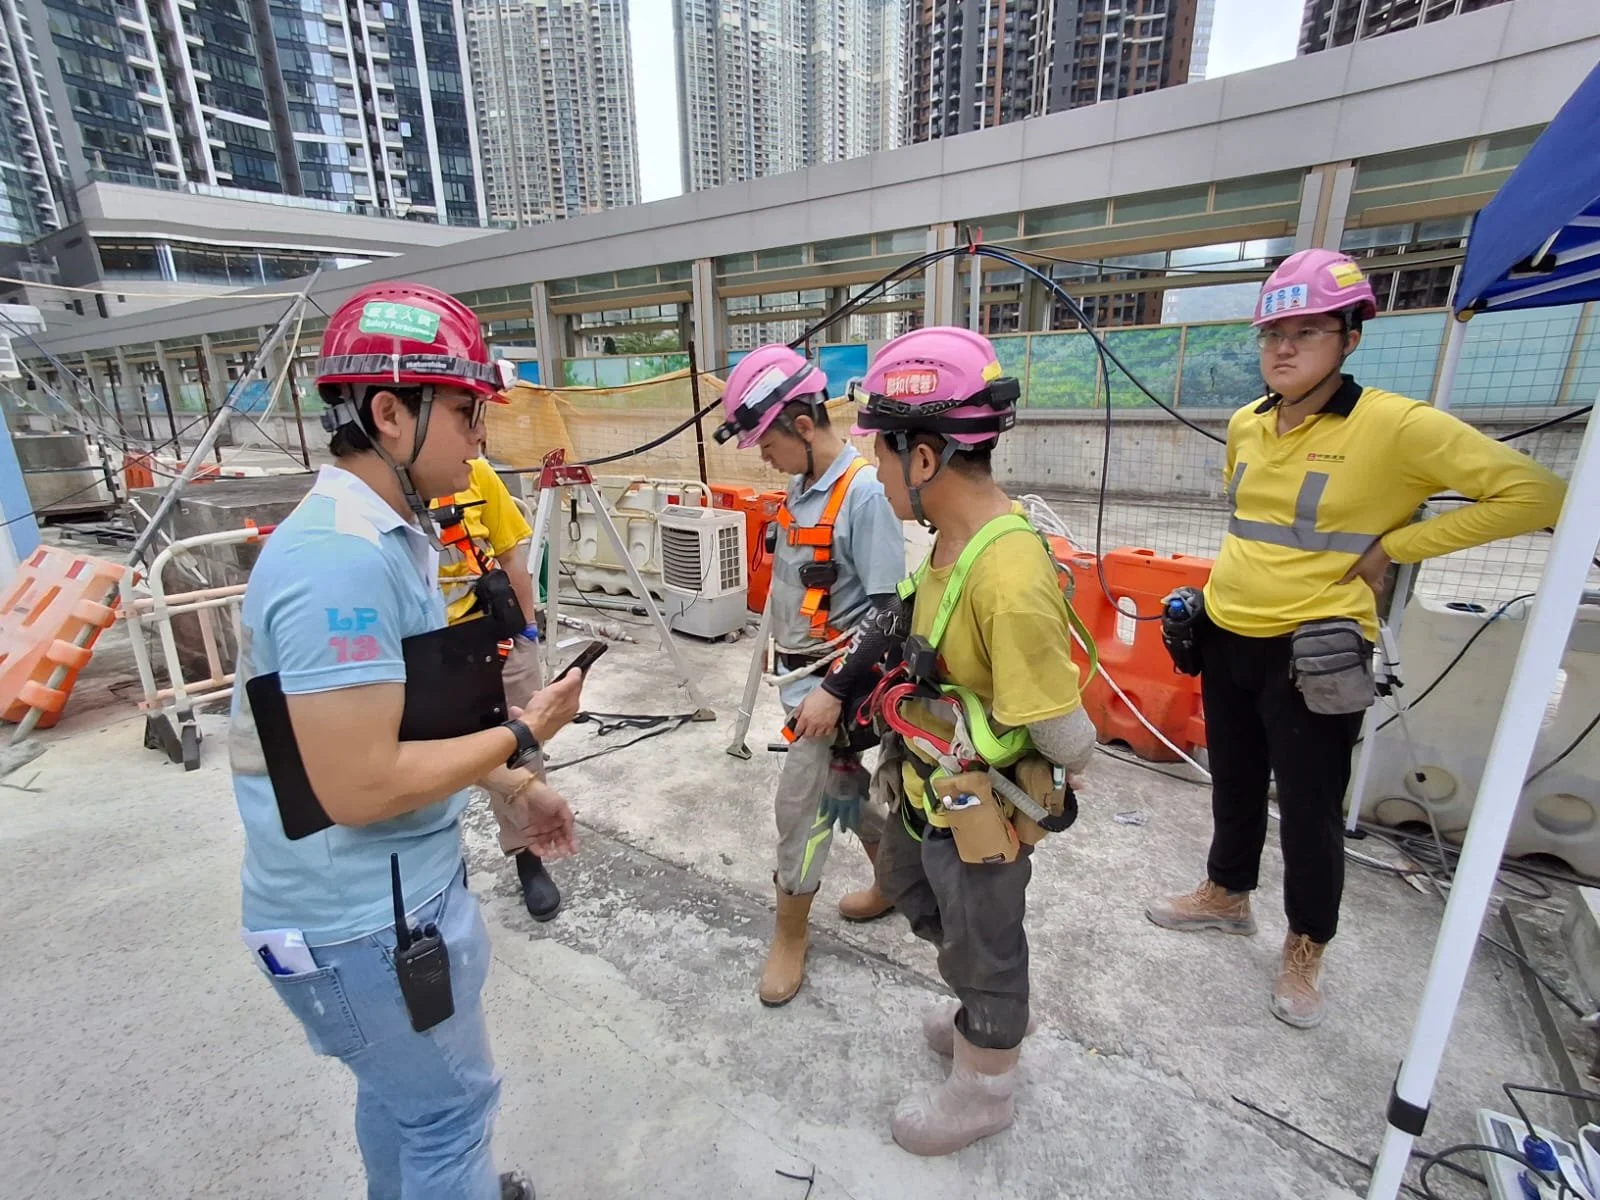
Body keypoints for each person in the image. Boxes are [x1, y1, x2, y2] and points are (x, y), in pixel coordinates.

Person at [1145, 249, 1567, 1029]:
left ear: (1350, 338)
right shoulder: (1247, 423)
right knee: (1232, 783)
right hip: (1227, 633)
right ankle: (1227, 893)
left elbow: (1536, 492)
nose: (1283, 347)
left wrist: (1398, 547)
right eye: (1274, 329)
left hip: (1314, 651)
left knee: (1308, 810)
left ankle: (1306, 946)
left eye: (1307, 330)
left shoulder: (1397, 427)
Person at [229, 282, 585, 1200]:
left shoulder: (388, 539)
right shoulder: (337, 561)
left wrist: (512, 784)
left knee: (406, 1104)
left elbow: (406, 729)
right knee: (450, 1116)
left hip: (385, 904)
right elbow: (360, 784)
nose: (479, 436)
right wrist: (522, 729)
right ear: (390, 413)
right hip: (365, 923)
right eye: (466, 413)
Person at [850, 326, 1097, 1156]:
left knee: (987, 940)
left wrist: (1038, 769)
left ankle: (986, 1082)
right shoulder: (949, 545)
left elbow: (1069, 736)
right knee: (918, 893)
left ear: (923, 459)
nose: (875, 473)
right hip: (931, 790)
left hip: (982, 812)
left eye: (882, 455)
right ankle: (970, 1011)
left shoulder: (1010, 575)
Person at [714, 344, 907, 1007]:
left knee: (799, 810)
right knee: (844, 795)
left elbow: (890, 614)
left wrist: (832, 692)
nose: (760, 456)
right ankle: (891, 885)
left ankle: (790, 935)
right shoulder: (802, 489)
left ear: (801, 425)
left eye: (765, 441)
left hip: (837, 693)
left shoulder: (865, 496)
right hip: (807, 682)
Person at [432, 454, 566, 921]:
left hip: (495, 640)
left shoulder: (475, 474)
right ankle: (440, 871)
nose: (474, 434)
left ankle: (529, 859)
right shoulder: (385, 501)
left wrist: (528, 628)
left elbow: (512, 554)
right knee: (431, 767)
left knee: (521, 754)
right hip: (427, 651)